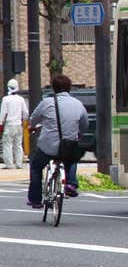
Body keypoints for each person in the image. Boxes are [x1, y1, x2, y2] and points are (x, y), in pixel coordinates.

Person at [26, 75, 88, 209]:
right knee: (72, 156)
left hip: (48, 146)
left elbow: (33, 119)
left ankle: (35, 199)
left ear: (53, 88)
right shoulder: (78, 104)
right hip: (68, 146)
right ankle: (71, 183)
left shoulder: (46, 102)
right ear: (70, 88)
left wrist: (32, 127)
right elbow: (84, 124)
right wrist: (79, 134)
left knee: (36, 167)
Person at [0, 78, 29, 169]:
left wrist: (0, 123)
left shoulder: (6, 99)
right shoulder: (21, 99)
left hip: (9, 124)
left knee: (7, 144)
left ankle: (9, 164)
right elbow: (26, 113)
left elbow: (3, 113)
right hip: (18, 124)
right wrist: (23, 120)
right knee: (18, 144)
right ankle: (19, 163)